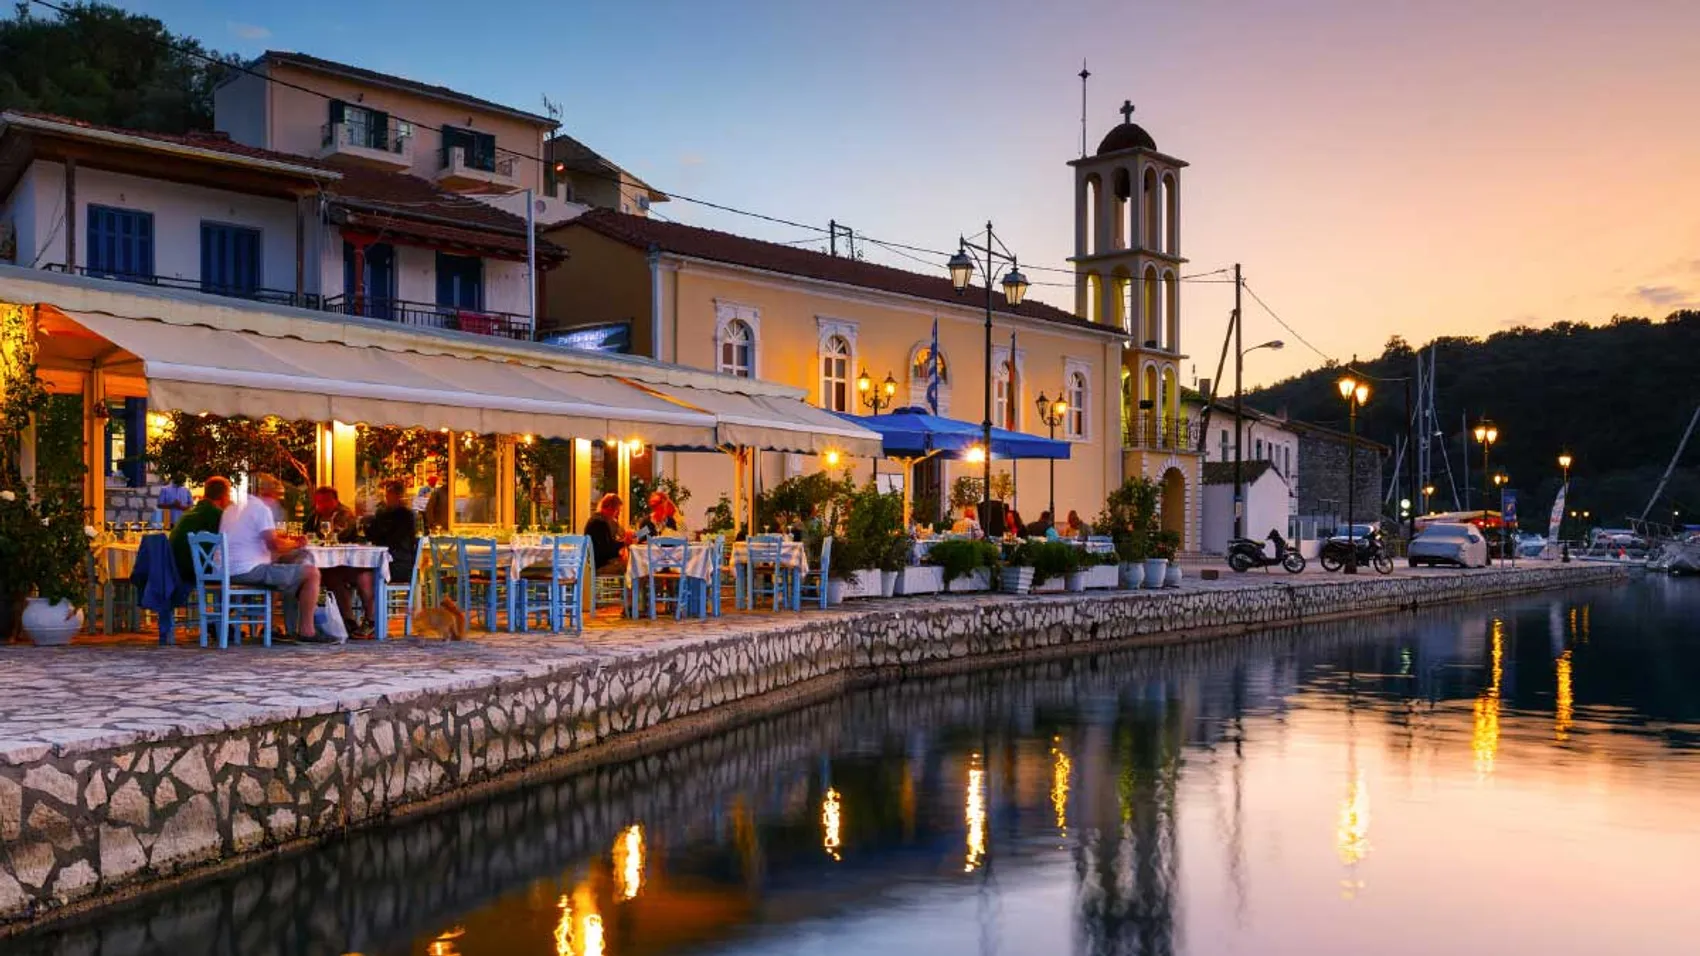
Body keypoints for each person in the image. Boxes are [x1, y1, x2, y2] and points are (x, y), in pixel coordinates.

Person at [220, 473, 324, 642]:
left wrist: (287, 541)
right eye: (276, 492)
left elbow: (262, 536)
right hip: (248, 570)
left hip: (225, 570)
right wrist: (297, 545)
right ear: (267, 492)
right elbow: (274, 545)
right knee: (311, 573)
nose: (278, 498)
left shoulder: (232, 508)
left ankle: (281, 627)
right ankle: (307, 632)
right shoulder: (261, 509)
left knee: (289, 570)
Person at [363, 479, 419, 637]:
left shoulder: (406, 516)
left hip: (398, 564)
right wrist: (368, 523)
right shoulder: (384, 513)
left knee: (365, 576)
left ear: (398, 495)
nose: (388, 497)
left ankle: (372, 619)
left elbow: (390, 539)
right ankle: (365, 619)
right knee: (358, 573)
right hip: (385, 560)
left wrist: (372, 524)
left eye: (390, 494)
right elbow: (374, 536)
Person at [312, 487, 369, 637]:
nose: (321, 504)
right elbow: (308, 532)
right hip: (331, 563)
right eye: (319, 501)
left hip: (351, 563)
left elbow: (336, 534)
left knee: (330, 576)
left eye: (325, 501)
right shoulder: (316, 515)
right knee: (319, 574)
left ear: (335, 500)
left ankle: (348, 621)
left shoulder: (344, 514)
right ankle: (328, 621)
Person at [169, 476, 232, 580]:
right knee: (241, 572)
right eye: (228, 495)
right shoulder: (217, 515)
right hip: (196, 571)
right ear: (224, 496)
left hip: (176, 570)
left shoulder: (189, 513)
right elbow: (231, 544)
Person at [584, 493, 633, 573]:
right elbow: (606, 551)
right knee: (629, 566)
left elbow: (606, 546)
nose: (617, 515)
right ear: (610, 508)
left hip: (597, 562)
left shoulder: (596, 519)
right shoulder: (600, 523)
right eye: (617, 511)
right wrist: (623, 543)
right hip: (600, 565)